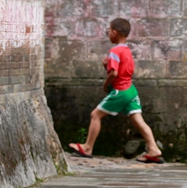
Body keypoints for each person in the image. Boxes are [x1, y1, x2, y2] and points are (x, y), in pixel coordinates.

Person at [68, 18, 164, 164]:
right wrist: (105, 66)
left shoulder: (114, 51)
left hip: (121, 91)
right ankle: (153, 148)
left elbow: (113, 73)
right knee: (138, 120)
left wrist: (106, 85)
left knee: (95, 115)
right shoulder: (126, 50)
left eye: (109, 30)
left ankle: (87, 147)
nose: (108, 33)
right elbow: (123, 70)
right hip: (131, 89)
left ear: (114, 33)